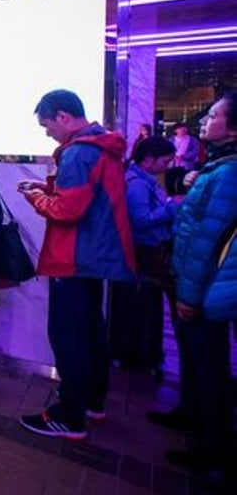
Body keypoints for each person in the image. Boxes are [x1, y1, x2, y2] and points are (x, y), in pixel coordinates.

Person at [17, 89, 135, 440]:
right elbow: (85, 196)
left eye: (47, 125)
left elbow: (68, 210)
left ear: (64, 117)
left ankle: (69, 416)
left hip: (73, 257)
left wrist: (37, 197)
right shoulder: (101, 146)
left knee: (69, 338)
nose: (47, 133)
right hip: (92, 257)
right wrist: (46, 185)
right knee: (91, 334)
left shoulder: (80, 153)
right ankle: (91, 402)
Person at [156, 91, 237, 477]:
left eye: (215, 115)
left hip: (203, 288)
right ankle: (192, 418)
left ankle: (213, 450)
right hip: (193, 280)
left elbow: (211, 240)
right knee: (197, 360)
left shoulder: (230, 173)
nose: (206, 120)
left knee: (210, 368)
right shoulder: (218, 167)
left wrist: (189, 295)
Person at [111, 136, 179, 372]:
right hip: (146, 254)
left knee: (146, 306)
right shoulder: (138, 184)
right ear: (149, 160)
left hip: (147, 254)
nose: (167, 166)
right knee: (145, 307)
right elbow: (140, 220)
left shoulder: (143, 180)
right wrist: (172, 206)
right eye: (165, 161)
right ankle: (141, 356)